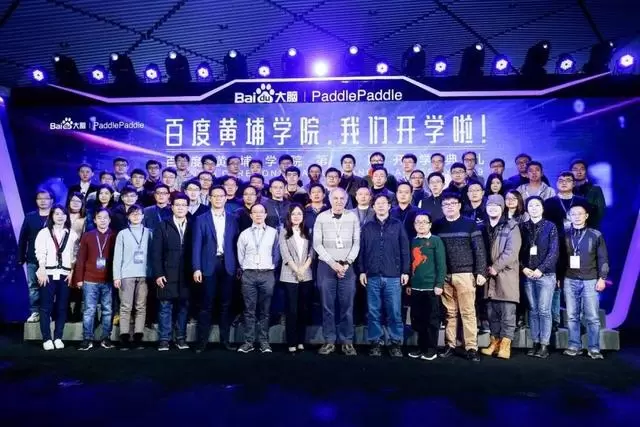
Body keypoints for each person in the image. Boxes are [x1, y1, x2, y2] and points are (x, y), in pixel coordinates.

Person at [433, 192, 487, 362]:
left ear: (459, 205)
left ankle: (471, 348)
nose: (449, 206)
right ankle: (450, 345)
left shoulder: (470, 224)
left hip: (465, 273)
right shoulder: (437, 225)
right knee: (449, 313)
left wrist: (481, 272)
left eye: (453, 203)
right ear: (442, 207)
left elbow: (479, 250)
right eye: (446, 204)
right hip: (444, 275)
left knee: (468, 312)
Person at [359, 194, 410, 358]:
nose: (380, 206)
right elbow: (362, 251)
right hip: (372, 275)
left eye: (384, 203)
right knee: (374, 311)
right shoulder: (367, 227)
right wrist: (361, 271)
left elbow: (405, 249)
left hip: (393, 276)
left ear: (389, 206)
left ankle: (395, 343)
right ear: (373, 206)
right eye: (377, 203)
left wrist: (405, 271)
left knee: (394, 311)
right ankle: (376, 342)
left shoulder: (398, 225)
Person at [313, 188, 361, 356]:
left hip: (347, 266)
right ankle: (329, 341)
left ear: (346, 200)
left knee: (347, 306)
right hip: (326, 266)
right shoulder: (321, 217)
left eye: (342, 198)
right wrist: (333, 263)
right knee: (327, 306)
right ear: (330, 199)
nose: (339, 201)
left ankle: (347, 342)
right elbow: (317, 244)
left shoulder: (352, 217)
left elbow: (356, 243)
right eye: (335, 198)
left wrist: (346, 263)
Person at [192, 186, 240, 353]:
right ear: (210, 198)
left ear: (226, 198)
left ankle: (225, 341)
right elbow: (196, 245)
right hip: (208, 265)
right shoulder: (201, 219)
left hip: (228, 265)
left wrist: (238, 266)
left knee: (226, 305)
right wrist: (196, 268)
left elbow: (236, 245)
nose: (218, 198)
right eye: (215, 196)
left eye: (221, 196)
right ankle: (202, 342)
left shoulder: (233, 219)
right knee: (206, 304)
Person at [562, 202, 609, 360]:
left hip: (590, 280)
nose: (577, 217)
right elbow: (561, 259)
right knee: (572, 316)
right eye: (573, 214)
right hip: (570, 279)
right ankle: (574, 345)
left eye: (580, 214)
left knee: (592, 317)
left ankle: (594, 348)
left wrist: (602, 278)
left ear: (586, 216)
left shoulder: (595, 234)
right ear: (569, 216)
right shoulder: (565, 234)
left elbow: (603, 258)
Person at [479, 195, 522, 360]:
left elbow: (511, 252)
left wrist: (495, 268)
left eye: (496, 205)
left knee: (507, 313)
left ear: (502, 208)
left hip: (505, 274)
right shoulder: (482, 226)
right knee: (492, 313)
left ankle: (505, 346)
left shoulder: (511, 226)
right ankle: (494, 343)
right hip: (488, 276)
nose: (492, 208)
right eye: (489, 205)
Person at [150, 193, 192, 351]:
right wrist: (158, 273)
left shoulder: (193, 225)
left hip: (186, 273)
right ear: (172, 207)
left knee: (183, 306)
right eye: (177, 205)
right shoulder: (163, 225)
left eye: (183, 205)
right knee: (165, 306)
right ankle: (164, 339)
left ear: (187, 208)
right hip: (167, 273)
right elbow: (156, 252)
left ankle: (180, 338)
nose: (180, 208)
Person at [236, 203, 280, 354]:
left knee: (265, 310)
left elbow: (276, 253)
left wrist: (271, 266)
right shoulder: (244, 234)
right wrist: (247, 267)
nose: (258, 214)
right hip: (249, 274)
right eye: (255, 212)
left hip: (267, 274)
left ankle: (264, 342)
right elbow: (240, 255)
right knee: (249, 310)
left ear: (266, 215)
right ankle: (248, 342)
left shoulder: (274, 233)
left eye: (261, 212)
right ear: (251, 215)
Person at [34, 205, 79, 350]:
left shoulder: (72, 234)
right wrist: (42, 269)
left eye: (63, 214)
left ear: (67, 216)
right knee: (45, 307)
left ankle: (58, 337)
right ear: (52, 216)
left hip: (65, 275)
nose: (60, 216)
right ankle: (47, 338)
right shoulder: (44, 233)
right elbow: (40, 252)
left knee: (62, 307)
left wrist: (72, 272)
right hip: (47, 274)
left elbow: (74, 255)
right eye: (57, 214)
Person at [519, 196, 559, 359]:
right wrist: (523, 268)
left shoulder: (550, 226)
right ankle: (535, 342)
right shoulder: (522, 227)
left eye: (537, 205)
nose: (534, 208)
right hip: (527, 274)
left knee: (544, 310)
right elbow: (517, 251)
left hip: (546, 275)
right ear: (527, 209)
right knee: (533, 310)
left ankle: (544, 344)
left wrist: (541, 269)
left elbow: (553, 252)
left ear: (542, 208)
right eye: (531, 206)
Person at [75, 208, 117, 351]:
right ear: (94, 220)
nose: (102, 220)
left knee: (107, 310)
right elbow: (81, 258)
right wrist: (79, 278)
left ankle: (106, 338)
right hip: (90, 279)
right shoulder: (88, 236)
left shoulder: (115, 235)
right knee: (89, 310)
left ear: (109, 220)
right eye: (99, 217)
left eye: (105, 217)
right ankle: (87, 338)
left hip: (108, 279)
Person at [408, 211, 447, 361]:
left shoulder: (436, 241)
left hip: (431, 288)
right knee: (418, 319)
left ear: (430, 225)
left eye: (424, 222)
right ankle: (421, 347)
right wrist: (409, 284)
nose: (421, 225)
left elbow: (441, 265)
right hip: (415, 287)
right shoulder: (413, 241)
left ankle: (431, 349)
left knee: (432, 320)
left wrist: (439, 284)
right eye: (418, 222)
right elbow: (410, 264)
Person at [113, 204, 151, 350]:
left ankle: (138, 336)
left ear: (143, 216)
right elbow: (117, 257)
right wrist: (117, 276)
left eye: (138, 213)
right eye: (133, 214)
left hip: (144, 274)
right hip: (126, 274)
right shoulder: (122, 234)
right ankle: (124, 337)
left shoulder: (149, 232)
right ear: (128, 216)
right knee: (126, 306)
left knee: (141, 306)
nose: (136, 216)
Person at [279, 204, 315, 353]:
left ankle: (301, 341)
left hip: (306, 275)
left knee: (303, 309)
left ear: (303, 216)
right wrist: (297, 270)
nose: (296, 216)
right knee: (292, 310)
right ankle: (291, 342)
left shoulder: (308, 231)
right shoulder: (283, 232)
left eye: (299, 213)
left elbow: (312, 252)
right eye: (293, 214)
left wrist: (303, 269)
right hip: (289, 275)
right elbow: (285, 254)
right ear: (289, 216)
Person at [19, 189, 54, 323]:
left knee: (48, 287)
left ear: (52, 200)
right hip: (33, 258)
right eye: (40, 198)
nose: (43, 201)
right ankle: (35, 312)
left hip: (51, 259)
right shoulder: (30, 217)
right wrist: (20, 257)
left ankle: (47, 312)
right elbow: (23, 238)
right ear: (36, 201)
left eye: (46, 198)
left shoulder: (56, 216)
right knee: (33, 286)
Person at [571, 159, 606, 229]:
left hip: (591, 228)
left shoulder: (595, 189)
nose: (579, 172)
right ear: (571, 172)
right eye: (575, 169)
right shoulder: (567, 190)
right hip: (571, 229)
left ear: (586, 171)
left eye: (582, 169)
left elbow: (600, 212)